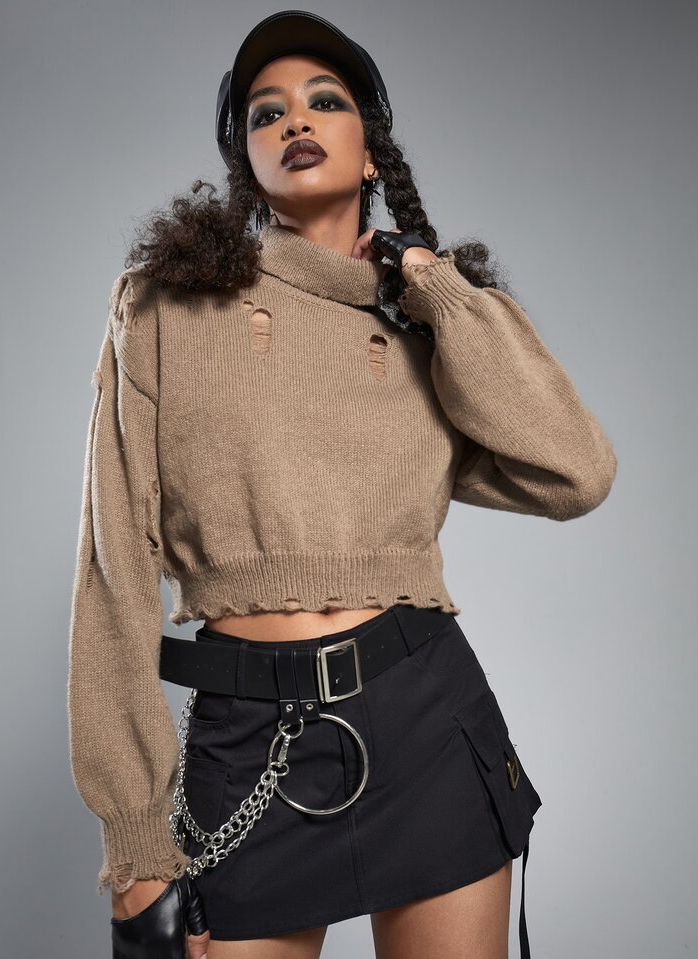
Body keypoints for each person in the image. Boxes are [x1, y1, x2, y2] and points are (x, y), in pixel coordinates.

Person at [67, 10, 618, 959]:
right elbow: (112, 572)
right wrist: (135, 845)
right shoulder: (163, 307)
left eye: (324, 101)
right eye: (265, 112)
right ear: (248, 164)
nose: (294, 119)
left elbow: (576, 469)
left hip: (425, 719)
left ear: (371, 155)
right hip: (248, 744)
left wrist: (431, 284)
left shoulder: (425, 328)